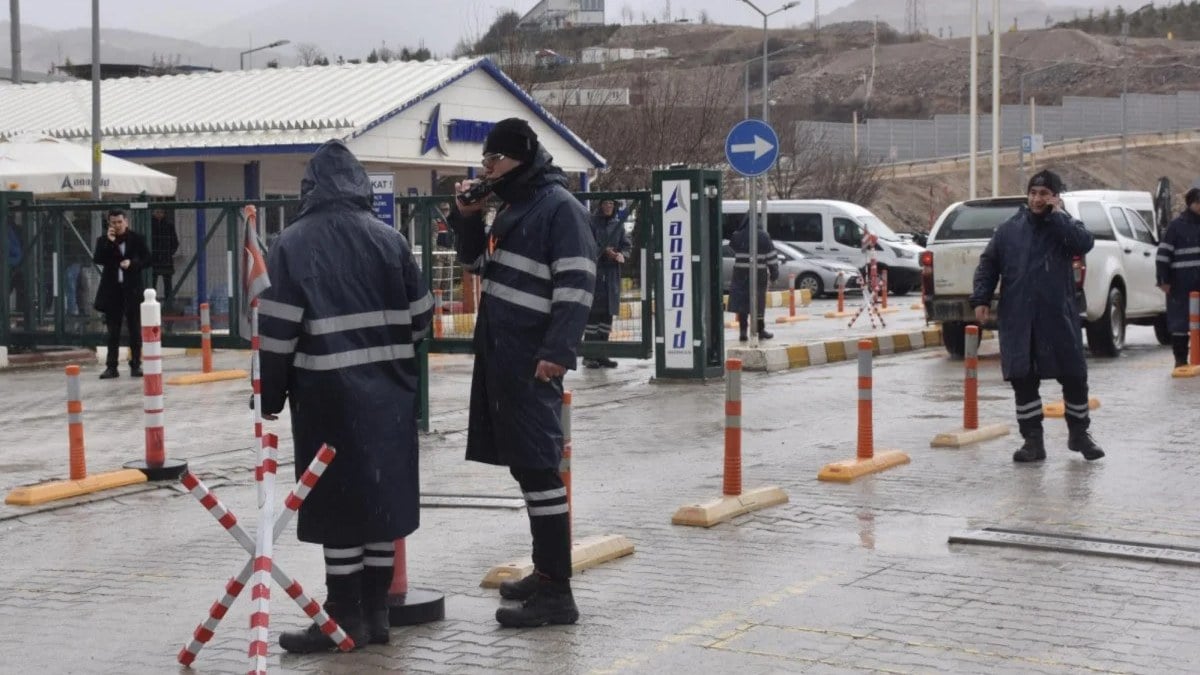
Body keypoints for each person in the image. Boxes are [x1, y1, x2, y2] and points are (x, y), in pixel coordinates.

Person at [257, 140, 433, 653]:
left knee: (337, 510)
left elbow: (277, 333)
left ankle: (342, 617)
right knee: (381, 505)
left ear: (310, 188)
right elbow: (422, 318)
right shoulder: (390, 240)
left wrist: (270, 395)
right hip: (390, 398)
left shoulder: (291, 244)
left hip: (326, 397)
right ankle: (377, 615)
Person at [448, 118, 595, 628]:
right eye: (484, 161)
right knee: (525, 467)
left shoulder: (559, 207)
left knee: (537, 466)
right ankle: (545, 571)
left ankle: (557, 592)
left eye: (494, 160)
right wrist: (467, 217)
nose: (487, 170)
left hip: (533, 357)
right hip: (503, 354)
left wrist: (557, 351)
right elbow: (475, 264)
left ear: (521, 158)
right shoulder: (515, 207)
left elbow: (577, 284)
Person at [970, 169, 1105, 463]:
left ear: (1055, 197)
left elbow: (1084, 243)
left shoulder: (1065, 227)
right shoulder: (1009, 230)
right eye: (1033, 193)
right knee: (1023, 380)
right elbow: (988, 264)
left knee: (1074, 376)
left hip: (1058, 317)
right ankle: (1032, 441)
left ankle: (1079, 434)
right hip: (1019, 319)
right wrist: (981, 298)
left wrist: (1058, 217)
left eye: (1044, 194)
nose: (1037, 199)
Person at [92, 209, 151, 379]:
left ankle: (136, 364)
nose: (117, 225)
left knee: (134, 328)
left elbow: (147, 259)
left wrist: (132, 263)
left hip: (132, 290)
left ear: (126, 222)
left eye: (120, 222)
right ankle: (111, 367)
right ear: (109, 224)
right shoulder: (103, 240)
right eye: (113, 222)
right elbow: (98, 259)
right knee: (113, 330)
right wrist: (110, 243)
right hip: (113, 290)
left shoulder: (136, 239)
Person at [583, 198, 631, 369]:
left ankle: (602, 354)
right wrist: (603, 251)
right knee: (593, 317)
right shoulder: (592, 223)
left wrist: (621, 255)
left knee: (606, 317)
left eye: (611, 203)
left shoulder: (618, 224)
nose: (608, 206)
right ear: (600, 205)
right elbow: (587, 244)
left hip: (612, 275)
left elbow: (627, 246)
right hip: (596, 273)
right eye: (605, 203)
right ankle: (589, 355)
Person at [1157, 188, 1200, 367]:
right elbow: (1163, 256)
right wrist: (1163, 280)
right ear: (1192, 204)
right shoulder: (1176, 226)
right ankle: (1180, 361)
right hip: (1181, 285)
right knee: (1180, 324)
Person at [728, 216, 779, 342]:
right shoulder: (764, 236)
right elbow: (771, 258)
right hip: (758, 273)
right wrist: (774, 274)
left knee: (742, 303)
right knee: (758, 302)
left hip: (740, 274)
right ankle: (760, 330)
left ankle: (743, 332)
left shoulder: (737, 236)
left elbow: (731, 249)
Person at [149, 208, 180, 310]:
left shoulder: (169, 225)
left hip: (166, 259)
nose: (159, 214)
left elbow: (175, 242)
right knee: (152, 284)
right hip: (153, 259)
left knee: (168, 284)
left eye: (161, 212)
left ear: (164, 213)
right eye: (157, 212)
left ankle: (168, 305)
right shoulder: (149, 224)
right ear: (153, 213)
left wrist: (169, 252)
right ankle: (152, 304)